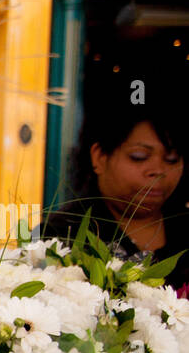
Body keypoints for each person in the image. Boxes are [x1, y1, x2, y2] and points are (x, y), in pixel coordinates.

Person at [45, 101, 188, 292]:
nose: (158, 171)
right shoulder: (63, 233)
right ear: (100, 157)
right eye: (139, 156)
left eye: (171, 159)